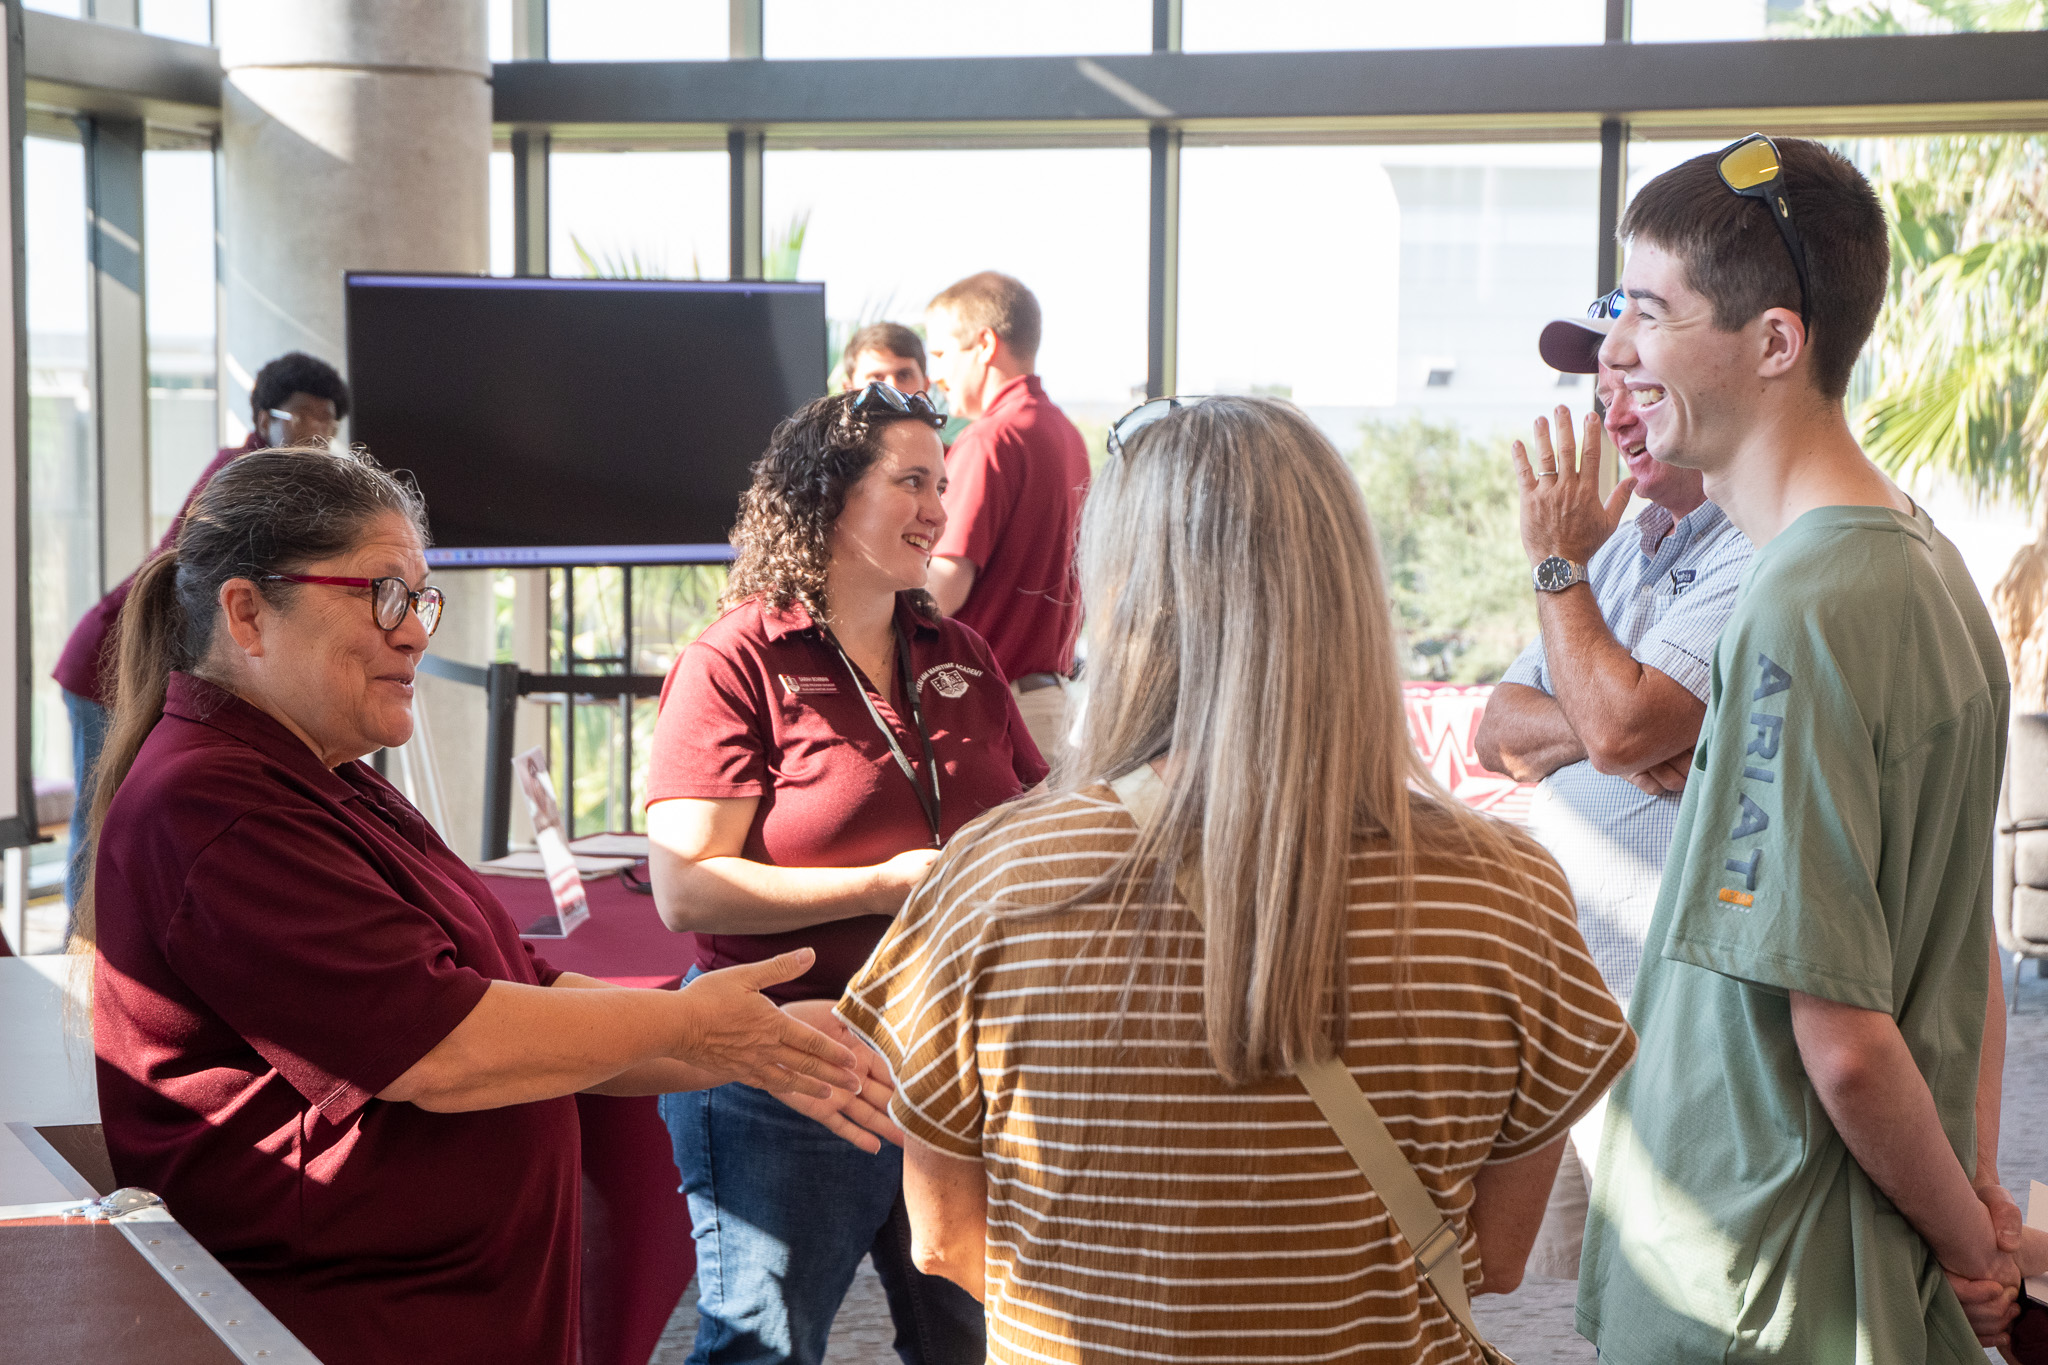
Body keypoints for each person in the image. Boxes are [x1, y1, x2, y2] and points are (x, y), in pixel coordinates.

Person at [838, 395, 1637, 1363]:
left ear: (1120, 591)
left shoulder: (998, 879)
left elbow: (946, 1239)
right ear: (1348, 586)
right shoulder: (1503, 891)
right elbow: (1497, 1256)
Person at [80, 447, 862, 1365]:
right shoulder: (210, 801)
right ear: (248, 611)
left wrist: (756, 1039)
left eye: (421, 600)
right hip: (341, 1324)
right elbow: (440, 1049)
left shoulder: (324, 777)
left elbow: (526, 994)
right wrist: (693, 1030)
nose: (414, 633)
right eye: (383, 595)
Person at [1575, 135, 2021, 1363]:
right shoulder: (1920, 560)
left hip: (1762, 1275)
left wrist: (1969, 1244)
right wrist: (1972, 1191)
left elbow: (1842, 1039)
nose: (1616, 352)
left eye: (1650, 316)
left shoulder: (1801, 604)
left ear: (1774, 343)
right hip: (1827, 1257)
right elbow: (1954, 944)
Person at [645, 383, 1047, 1365]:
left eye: (939, 485)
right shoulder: (734, 658)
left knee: (977, 1346)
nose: (936, 510)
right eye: (910, 481)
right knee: (764, 1353)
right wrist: (879, 886)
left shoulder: (958, 652)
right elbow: (685, 889)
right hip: (791, 1066)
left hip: (950, 1067)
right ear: (828, 496)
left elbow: (1036, 820)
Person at [1474, 319, 1752, 1279]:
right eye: (1602, 396)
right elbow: (1497, 732)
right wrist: (1594, 726)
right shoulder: (1620, 546)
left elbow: (1624, 729)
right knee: (1579, 1292)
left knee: (1672, 1288)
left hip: (1671, 1010)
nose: (1616, 418)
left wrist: (1560, 576)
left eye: (1636, 385)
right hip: (1575, 996)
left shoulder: (1753, 545)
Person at [54, 350, 351, 914]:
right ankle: (90, 973)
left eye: (327, 423)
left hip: (143, 665)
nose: (315, 434)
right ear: (265, 419)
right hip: (109, 664)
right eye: (303, 418)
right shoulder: (240, 478)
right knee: (99, 829)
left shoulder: (275, 483)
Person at [921, 272, 1090, 755]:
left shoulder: (991, 438)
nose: (936, 375)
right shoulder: (1065, 434)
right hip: (1050, 703)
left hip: (995, 709)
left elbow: (943, 587)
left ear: (984, 345)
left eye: (940, 355)